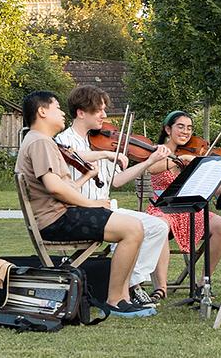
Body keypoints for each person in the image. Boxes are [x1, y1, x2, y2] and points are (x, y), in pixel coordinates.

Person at [15, 90, 156, 317]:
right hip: (57, 219)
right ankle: (116, 299)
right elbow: (54, 187)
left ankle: (123, 298)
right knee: (132, 228)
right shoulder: (40, 142)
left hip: (57, 216)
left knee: (134, 227)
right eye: (57, 108)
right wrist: (92, 205)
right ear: (42, 111)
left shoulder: (39, 141)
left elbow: (62, 185)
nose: (62, 113)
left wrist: (86, 179)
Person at [55, 85, 172, 307]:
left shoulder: (100, 140)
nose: (105, 115)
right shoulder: (63, 139)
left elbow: (116, 181)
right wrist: (107, 154)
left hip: (105, 208)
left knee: (158, 226)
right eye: (99, 110)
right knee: (130, 226)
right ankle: (123, 290)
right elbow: (71, 154)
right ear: (81, 113)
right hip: (81, 211)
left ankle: (131, 282)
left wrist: (148, 162)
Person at [145, 110, 221, 302]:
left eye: (189, 128)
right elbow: (151, 168)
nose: (185, 131)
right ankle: (161, 287)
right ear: (168, 129)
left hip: (190, 210)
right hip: (163, 208)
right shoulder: (157, 152)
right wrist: (179, 160)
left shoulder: (194, 154)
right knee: (160, 227)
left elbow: (212, 189)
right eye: (180, 126)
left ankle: (203, 283)